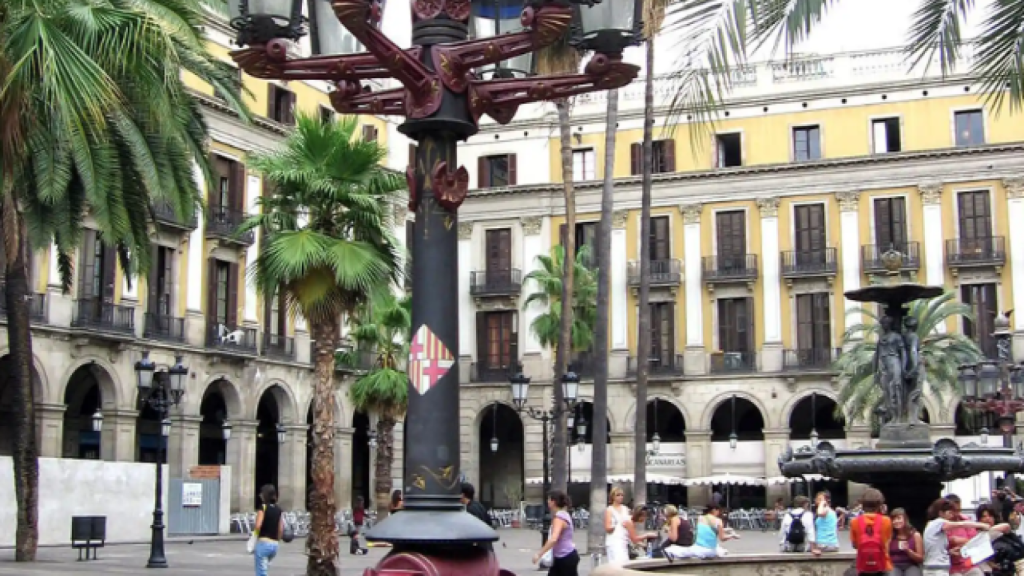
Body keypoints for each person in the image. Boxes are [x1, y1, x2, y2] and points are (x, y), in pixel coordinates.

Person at [922, 497, 990, 576]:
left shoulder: (933, 526)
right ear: (941, 513)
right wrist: (982, 525)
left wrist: (950, 552)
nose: (952, 515)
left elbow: (936, 550)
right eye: (949, 512)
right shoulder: (938, 522)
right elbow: (961, 524)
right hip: (936, 569)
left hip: (938, 567)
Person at [664, 503, 737, 560]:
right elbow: (722, 538)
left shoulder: (700, 518)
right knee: (717, 548)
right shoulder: (718, 521)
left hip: (699, 549)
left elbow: (706, 530)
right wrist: (732, 535)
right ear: (714, 510)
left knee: (672, 550)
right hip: (712, 551)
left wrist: (726, 530)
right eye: (718, 510)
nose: (719, 512)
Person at [533, 490, 578, 576]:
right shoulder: (564, 514)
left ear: (553, 502)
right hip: (562, 556)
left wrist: (539, 554)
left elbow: (553, 539)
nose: (547, 501)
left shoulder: (559, 518)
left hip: (566, 557)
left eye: (549, 499)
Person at [851, 489, 893, 576]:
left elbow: (855, 545)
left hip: (863, 565)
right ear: (880, 504)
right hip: (882, 565)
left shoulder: (855, 521)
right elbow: (886, 543)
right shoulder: (886, 520)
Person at [947, 494, 984, 576]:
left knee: (978, 573)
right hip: (952, 566)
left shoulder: (966, 520)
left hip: (968, 563)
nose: (956, 514)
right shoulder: (944, 524)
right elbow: (948, 542)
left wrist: (960, 541)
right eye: (954, 511)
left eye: (959, 510)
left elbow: (974, 540)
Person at [253, 484, 285, 576]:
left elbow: (258, 525)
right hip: (274, 545)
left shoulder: (262, 507)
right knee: (264, 568)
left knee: (261, 572)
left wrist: (254, 535)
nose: (260, 495)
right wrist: (277, 539)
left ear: (265, 495)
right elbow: (280, 529)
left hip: (263, 543)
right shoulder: (278, 509)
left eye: (261, 493)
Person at [890, 508, 925, 576]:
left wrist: (908, 551)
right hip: (894, 565)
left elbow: (921, 559)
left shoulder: (915, 535)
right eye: (893, 519)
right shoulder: (890, 536)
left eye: (899, 518)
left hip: (911, 565)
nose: (896, 521)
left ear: (905, 519)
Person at [461, 482, 493, 552]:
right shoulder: (479, 505)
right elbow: (489, 522)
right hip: (487, 545)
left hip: (479, 548)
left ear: (462, 495)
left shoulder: (469, 510)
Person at [604, 487, 632, 565]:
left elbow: (631, 522)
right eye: (618, 495)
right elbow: (607, 528)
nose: (620, 497)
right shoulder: (609, 510)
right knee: (617, 565)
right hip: (614, 541)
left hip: (624, 540)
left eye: (622, 495)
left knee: (625, 564)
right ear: (613, 496)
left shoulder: (625, 509)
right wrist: (616, 525)